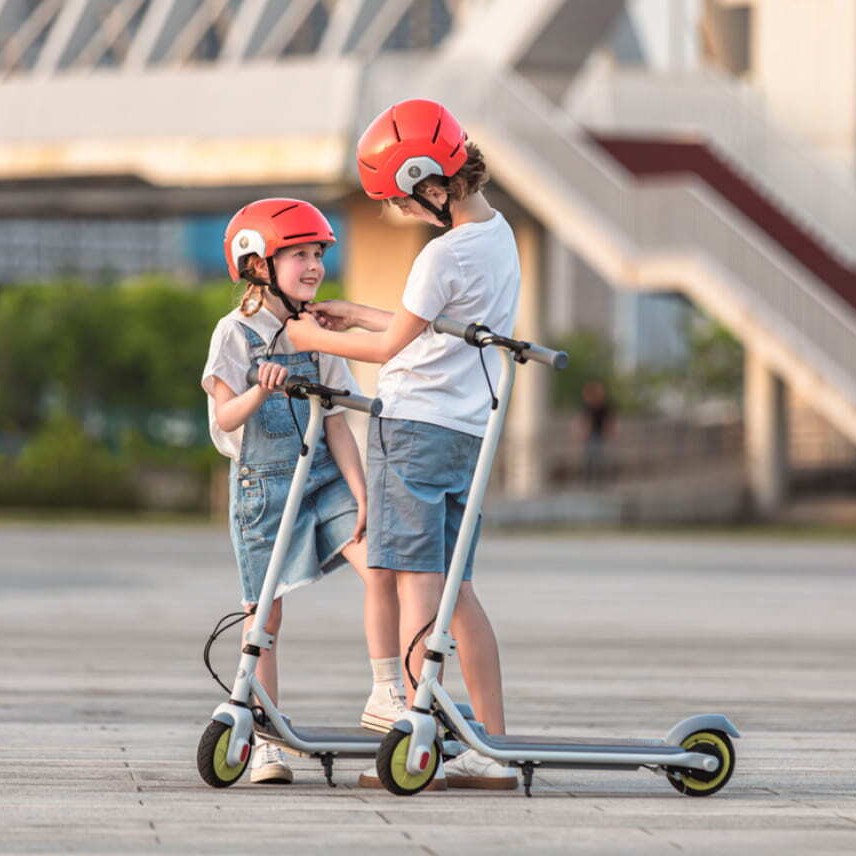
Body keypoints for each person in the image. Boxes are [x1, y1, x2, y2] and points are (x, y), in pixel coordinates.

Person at [287, 99, 520, 790]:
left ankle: (419, 739)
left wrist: (312, 337)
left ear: (431, 185)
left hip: (413, 429)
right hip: (467, 430)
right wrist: (356, 311)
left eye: (403, 203)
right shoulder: (497, 234)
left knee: (418, 589)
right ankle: (491, 745)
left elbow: (392, 348)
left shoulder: (442, 253)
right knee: (456, 590)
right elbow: (435, 325)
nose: (405, 215)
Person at [202, 198, 406, 785]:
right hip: (263, 488)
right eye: (299, 254)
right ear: (257, 264)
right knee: (264, 615)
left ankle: (386, 688)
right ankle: (265, 736)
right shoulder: (235, 332)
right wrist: (261, 391)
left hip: (322, 481)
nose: (314, 265)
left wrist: (361, 492)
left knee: (383, 567)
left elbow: (338, 418)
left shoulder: (318, 330)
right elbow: (226, 416)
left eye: (318, 253)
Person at [581, 380, 614, 484]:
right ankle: (589, 478)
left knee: (598, 456)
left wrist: (608, 431)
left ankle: (598, 478)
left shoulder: (604, 406)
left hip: (598, 433)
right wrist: (584, 432)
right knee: (590, 456)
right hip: (592, 434)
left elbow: (608, 420)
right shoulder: (589, 406)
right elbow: (585, 420)